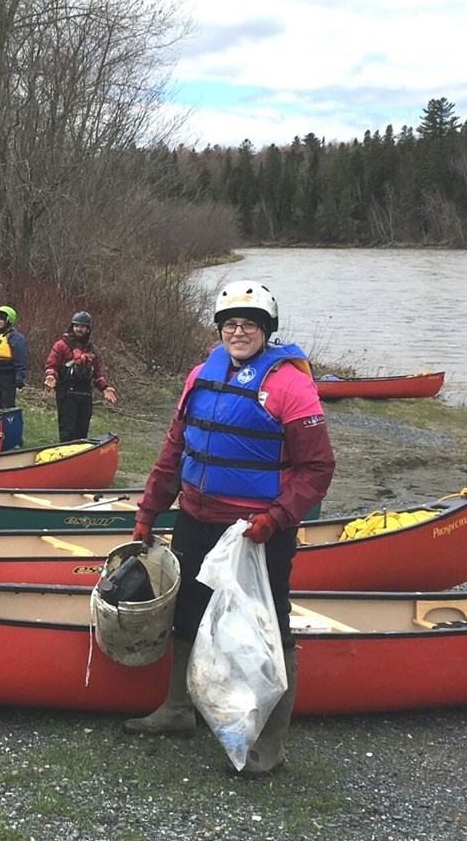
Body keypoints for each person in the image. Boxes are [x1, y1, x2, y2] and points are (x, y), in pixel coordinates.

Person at [125, 280, 335, 776]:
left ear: (266, 331)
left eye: (250, 325)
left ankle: (269, 745)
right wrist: (148, 511)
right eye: (230, 324)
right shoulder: (201, 374)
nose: (239, 332)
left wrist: (276, 519)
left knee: (268, 628)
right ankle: (179, 709)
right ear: (220, 330)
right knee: (187, 612)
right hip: (195, 519)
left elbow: (317, 469)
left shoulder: (290, 383)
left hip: (256, 532)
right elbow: (174, 452)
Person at [43, 311, 117, 441]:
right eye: (76, 326)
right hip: (66, 394)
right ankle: (66, 458)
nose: (78, 329)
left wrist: (105, 388)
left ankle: (80, 459)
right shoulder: (61, 345)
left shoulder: (93, 350)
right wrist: (51, 376)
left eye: (82, 326)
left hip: (85, 395)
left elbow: (97, 374)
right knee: (67, 432)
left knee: (82, 432)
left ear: (88, 329)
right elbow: (51, 365)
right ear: (72, 327)